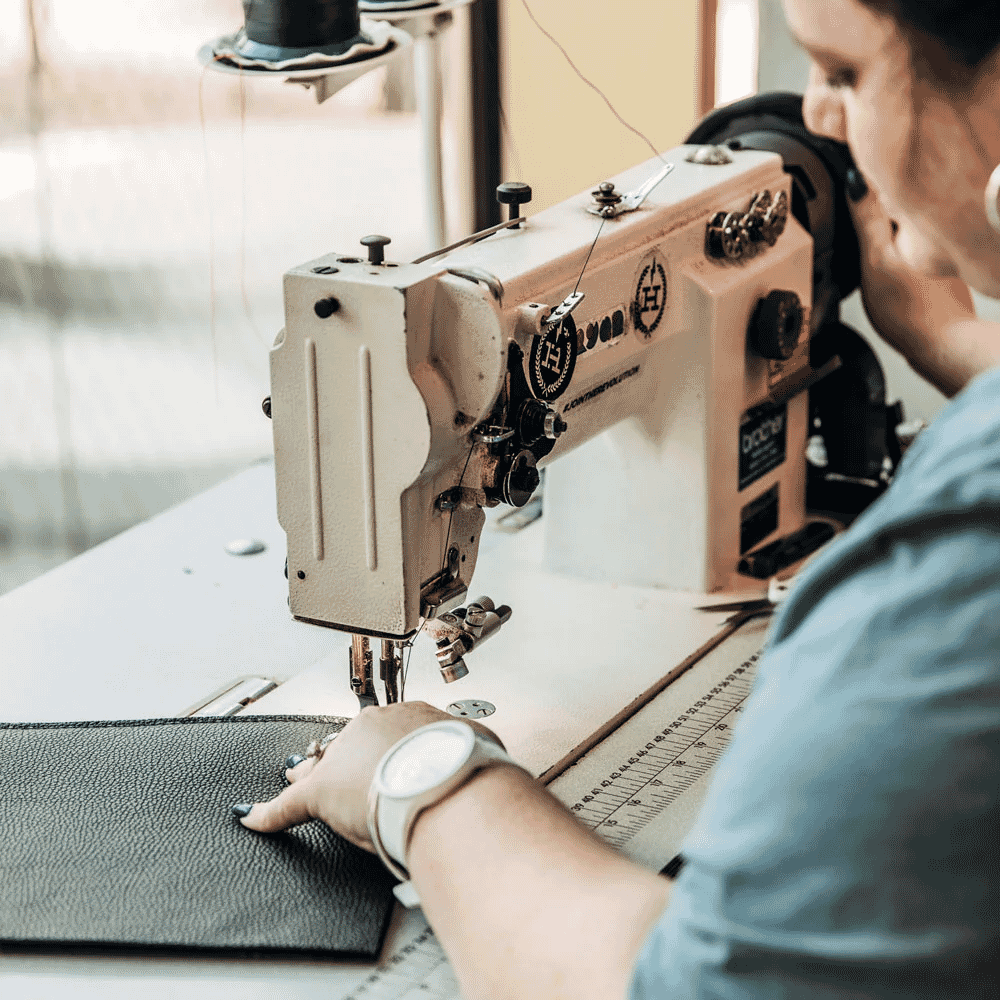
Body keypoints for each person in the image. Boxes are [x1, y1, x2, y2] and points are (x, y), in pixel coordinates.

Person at [233, 1, 1000, 995]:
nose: (821, 113)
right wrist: (959, 352)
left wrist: (418, 779)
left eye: (843, 73)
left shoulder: (953, 568)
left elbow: (701, 987)